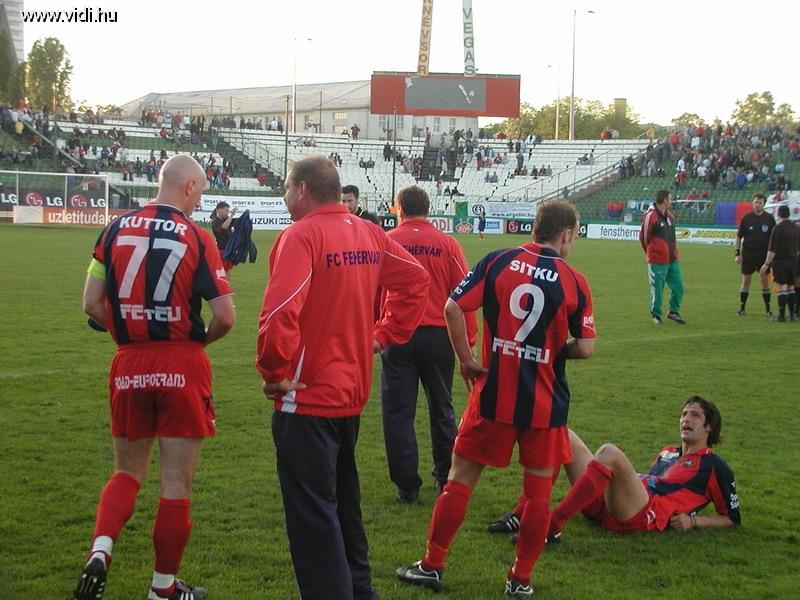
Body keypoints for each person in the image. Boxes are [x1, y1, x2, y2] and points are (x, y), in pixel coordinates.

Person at [396, 199, 595, 597]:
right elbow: (586, 347)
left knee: (458, 482)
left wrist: (467, 360)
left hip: (493, 397)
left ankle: (432, 565)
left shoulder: (498, 261)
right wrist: (552, 351)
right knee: (538, 498)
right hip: (545, 404)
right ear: (565, 234)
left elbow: (453, 308)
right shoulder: (574, 281)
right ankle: (520, 580)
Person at [256, 156, 430, 600]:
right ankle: (361, 591)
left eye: (286, 187)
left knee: (313, 518)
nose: (284, 196)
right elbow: (416, 280)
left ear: (302, 189)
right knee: (342, 505)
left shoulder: (301, 235)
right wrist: (384, 335)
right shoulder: (368, 232)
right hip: (350, 393)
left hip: (306, 395)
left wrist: (274, 372)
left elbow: (280, 312)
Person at [73, 155, 236, 600]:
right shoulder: (197, 235)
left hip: (130, 362)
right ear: (188, 187)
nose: (200, 202)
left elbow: (91, 302)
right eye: (201, 192)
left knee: (127, 472)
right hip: (182, 363)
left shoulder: (114, 229)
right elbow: (225, 316)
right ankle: (162, 589)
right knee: (175, 484)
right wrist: (198, 343)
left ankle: (101, 549)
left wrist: (131, 331)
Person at [489, 397, 740, 542]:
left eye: (695, 415)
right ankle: (521, 513)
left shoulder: (713, 465)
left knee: (609, 452)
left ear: (709, 426)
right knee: (561, 434)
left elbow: (731, 517)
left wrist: (693, 521)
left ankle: (552, 526)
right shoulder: (668, 452)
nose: (686, 419)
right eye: (684, 414)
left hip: (639, 514)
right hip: (613, 504)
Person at [379, 186, 478, 504]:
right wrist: (469, 341)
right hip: (439, 336)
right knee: (442, 407)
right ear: (429, 209)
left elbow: (373, 290)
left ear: (399, 208)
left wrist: (375, 332)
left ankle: (406, 486)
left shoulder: (387, 240)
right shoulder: (447, 244)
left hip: (398, 334)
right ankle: (446, 476)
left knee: (397, 412)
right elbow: (464, 295)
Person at [639, 190, 685, 324]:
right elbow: (644, 238)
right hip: (657, 261)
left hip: (672, 259)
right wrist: (651, 253)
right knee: (658, 289)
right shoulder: (651, 216)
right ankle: (656, 314)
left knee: (679, 287)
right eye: (670, 198)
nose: (671, 201)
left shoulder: (670, 216)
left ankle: (673, 311)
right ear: (665, 200)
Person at [734, 193, 775, 316]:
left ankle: (767, 309)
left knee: (764, 281)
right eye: (756, 202)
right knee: (746, 280)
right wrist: (737, 253)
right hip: (748, 254)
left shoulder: (769, 219)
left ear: (764, 204)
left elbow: (774, 238)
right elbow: (738, 237)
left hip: (763, 255)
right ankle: (742, 308)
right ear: (752, 203)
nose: (757, 205)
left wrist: (773, 255)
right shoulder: (746, 218)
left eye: (760, 203)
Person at [760, 204, 799, 321]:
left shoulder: (778, 228)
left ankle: (781, 315)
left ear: (778, 214)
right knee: (791, 288)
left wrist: (767, 264)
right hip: (794, 262)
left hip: (781, 261)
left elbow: (772, 250)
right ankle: (792, 315)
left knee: (781, 288)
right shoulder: (796, 228)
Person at [210, 200, 237, 272]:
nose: (227, 213)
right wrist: (232, 214)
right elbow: (224, 227)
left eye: (228, 211)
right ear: (219, 210)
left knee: (228, 271)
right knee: (223, 272)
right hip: (222, 250)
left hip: (229, 250)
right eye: (226, 210)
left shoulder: (226, 220)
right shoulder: (216, 221)